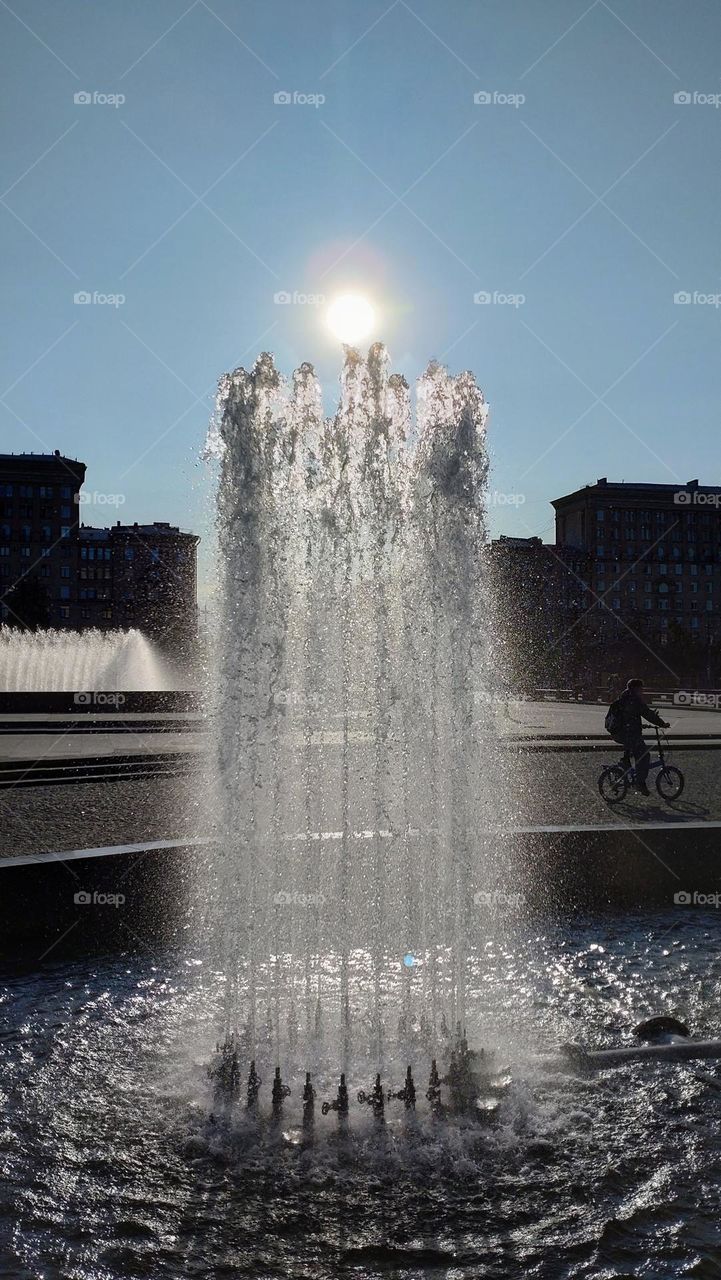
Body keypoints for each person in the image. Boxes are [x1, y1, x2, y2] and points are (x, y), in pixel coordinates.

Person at [608, 678, 670, 796]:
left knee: (635, 752)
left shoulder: (623, 697)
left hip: (620, 733)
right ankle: (640, 783)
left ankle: (625, 764)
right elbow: (647, 713)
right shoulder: (634, 700)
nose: (642, 691)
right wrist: (662, 724)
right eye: (641, 689)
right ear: (636, 688)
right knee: (644, 755)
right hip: (628, 734)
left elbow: (629, 717)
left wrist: (642, 725)